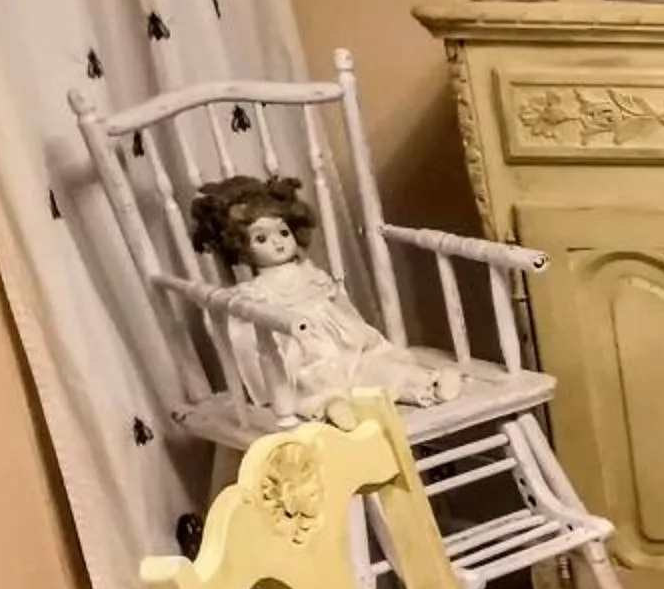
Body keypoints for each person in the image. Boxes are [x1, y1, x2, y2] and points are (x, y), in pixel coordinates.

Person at [186, 174, 461, 415]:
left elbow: (340, 306)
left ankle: (429, 384)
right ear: (239, 249)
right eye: (261, 238)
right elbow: (246, 339)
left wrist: (361, 333)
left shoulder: (312, 274)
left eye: (282, 232)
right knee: (314, 382)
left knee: (374, 367)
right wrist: (265, 381)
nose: (278, 242)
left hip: (343, 347)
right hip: (305, 358)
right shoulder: (253, 293)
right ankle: (330, 407)